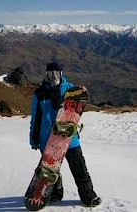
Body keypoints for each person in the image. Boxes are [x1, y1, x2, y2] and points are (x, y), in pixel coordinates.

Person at [29, 62, 102, 207]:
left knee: (79, 168)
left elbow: (77, 109)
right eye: (50, 73)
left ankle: (88, 196)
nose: (53, 76)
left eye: (56, 73)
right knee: (50, 170)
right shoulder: (39, 93)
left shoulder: (70, 89)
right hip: (48, 139)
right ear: (46, 74)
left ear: (61, 73)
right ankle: (55, 192)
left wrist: (82, 93)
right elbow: (35, 117)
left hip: (70, 138)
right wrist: (34, 138)